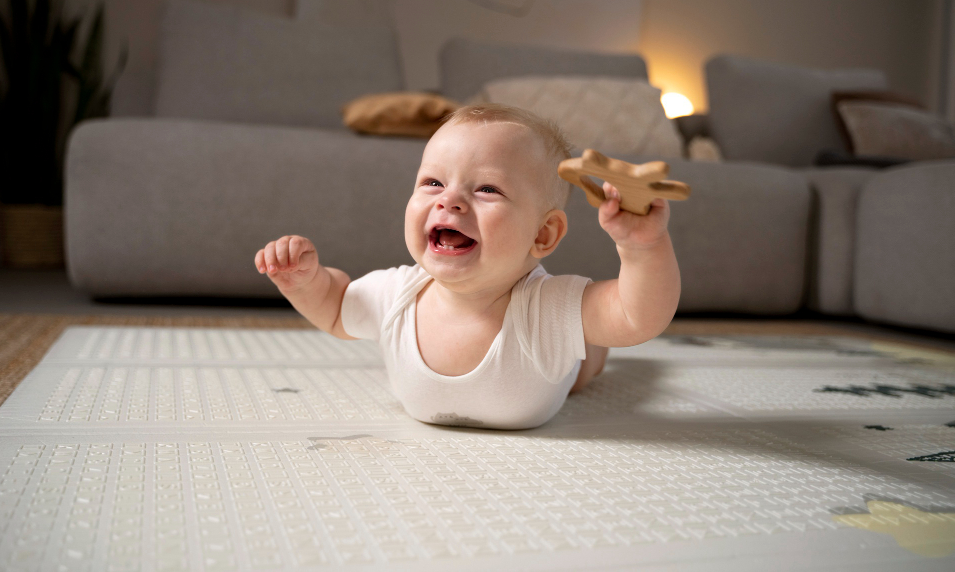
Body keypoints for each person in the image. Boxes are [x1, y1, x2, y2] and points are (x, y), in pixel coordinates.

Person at [255, 104, 681, 429]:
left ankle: (592, 351)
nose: (449, 200)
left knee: (584, 364)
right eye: (433, 182)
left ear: (543, 234)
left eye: (487, 189)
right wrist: (305, 282)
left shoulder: (550, 310)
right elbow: (336, 306)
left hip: (552, 359)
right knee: (578, 339)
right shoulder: (396, 294)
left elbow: (635, 315)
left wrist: (642, 247)